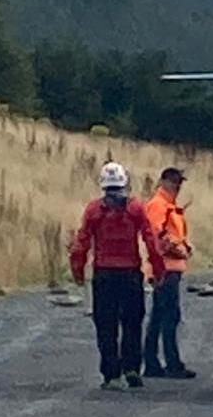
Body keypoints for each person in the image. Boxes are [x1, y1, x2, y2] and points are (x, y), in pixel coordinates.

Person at [70, 162, 166, 391]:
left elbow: (80, 243)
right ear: (125, 182)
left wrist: (78, 270)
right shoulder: (135, 209)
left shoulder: (94, 210)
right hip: (130, 274)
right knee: (132, 322)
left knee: (106, 325)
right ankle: (132, 368)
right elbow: (151, 240)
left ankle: (111, 375)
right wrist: (158, 268)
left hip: (104, 274)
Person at [143, 167, 196, 379]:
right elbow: (157, 236)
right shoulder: (158, 205)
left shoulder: (168, 205)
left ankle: (152, 363)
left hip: (168, 268)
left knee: (158, 316)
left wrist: (184, 246)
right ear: (163, 181)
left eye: (179, 182)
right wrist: (177, 249)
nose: (177, 186)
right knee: (169, 317)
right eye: (174, 182)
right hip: (165, 268)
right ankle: (172, 364)